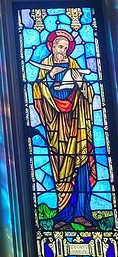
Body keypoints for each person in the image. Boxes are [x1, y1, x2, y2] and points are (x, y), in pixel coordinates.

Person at [32, 29, 97, 229]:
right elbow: (38, 92)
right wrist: (51, 78)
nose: (63, 50)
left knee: (82, 167)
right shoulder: (45, 67)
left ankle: (82, 213)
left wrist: (79, 83)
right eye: (60, 46)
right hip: (57, 127)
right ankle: (63, 214)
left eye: (66, 47)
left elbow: (88, 92)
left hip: (77, 125)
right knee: (61, 170)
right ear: (51, 46)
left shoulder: (74, 65)